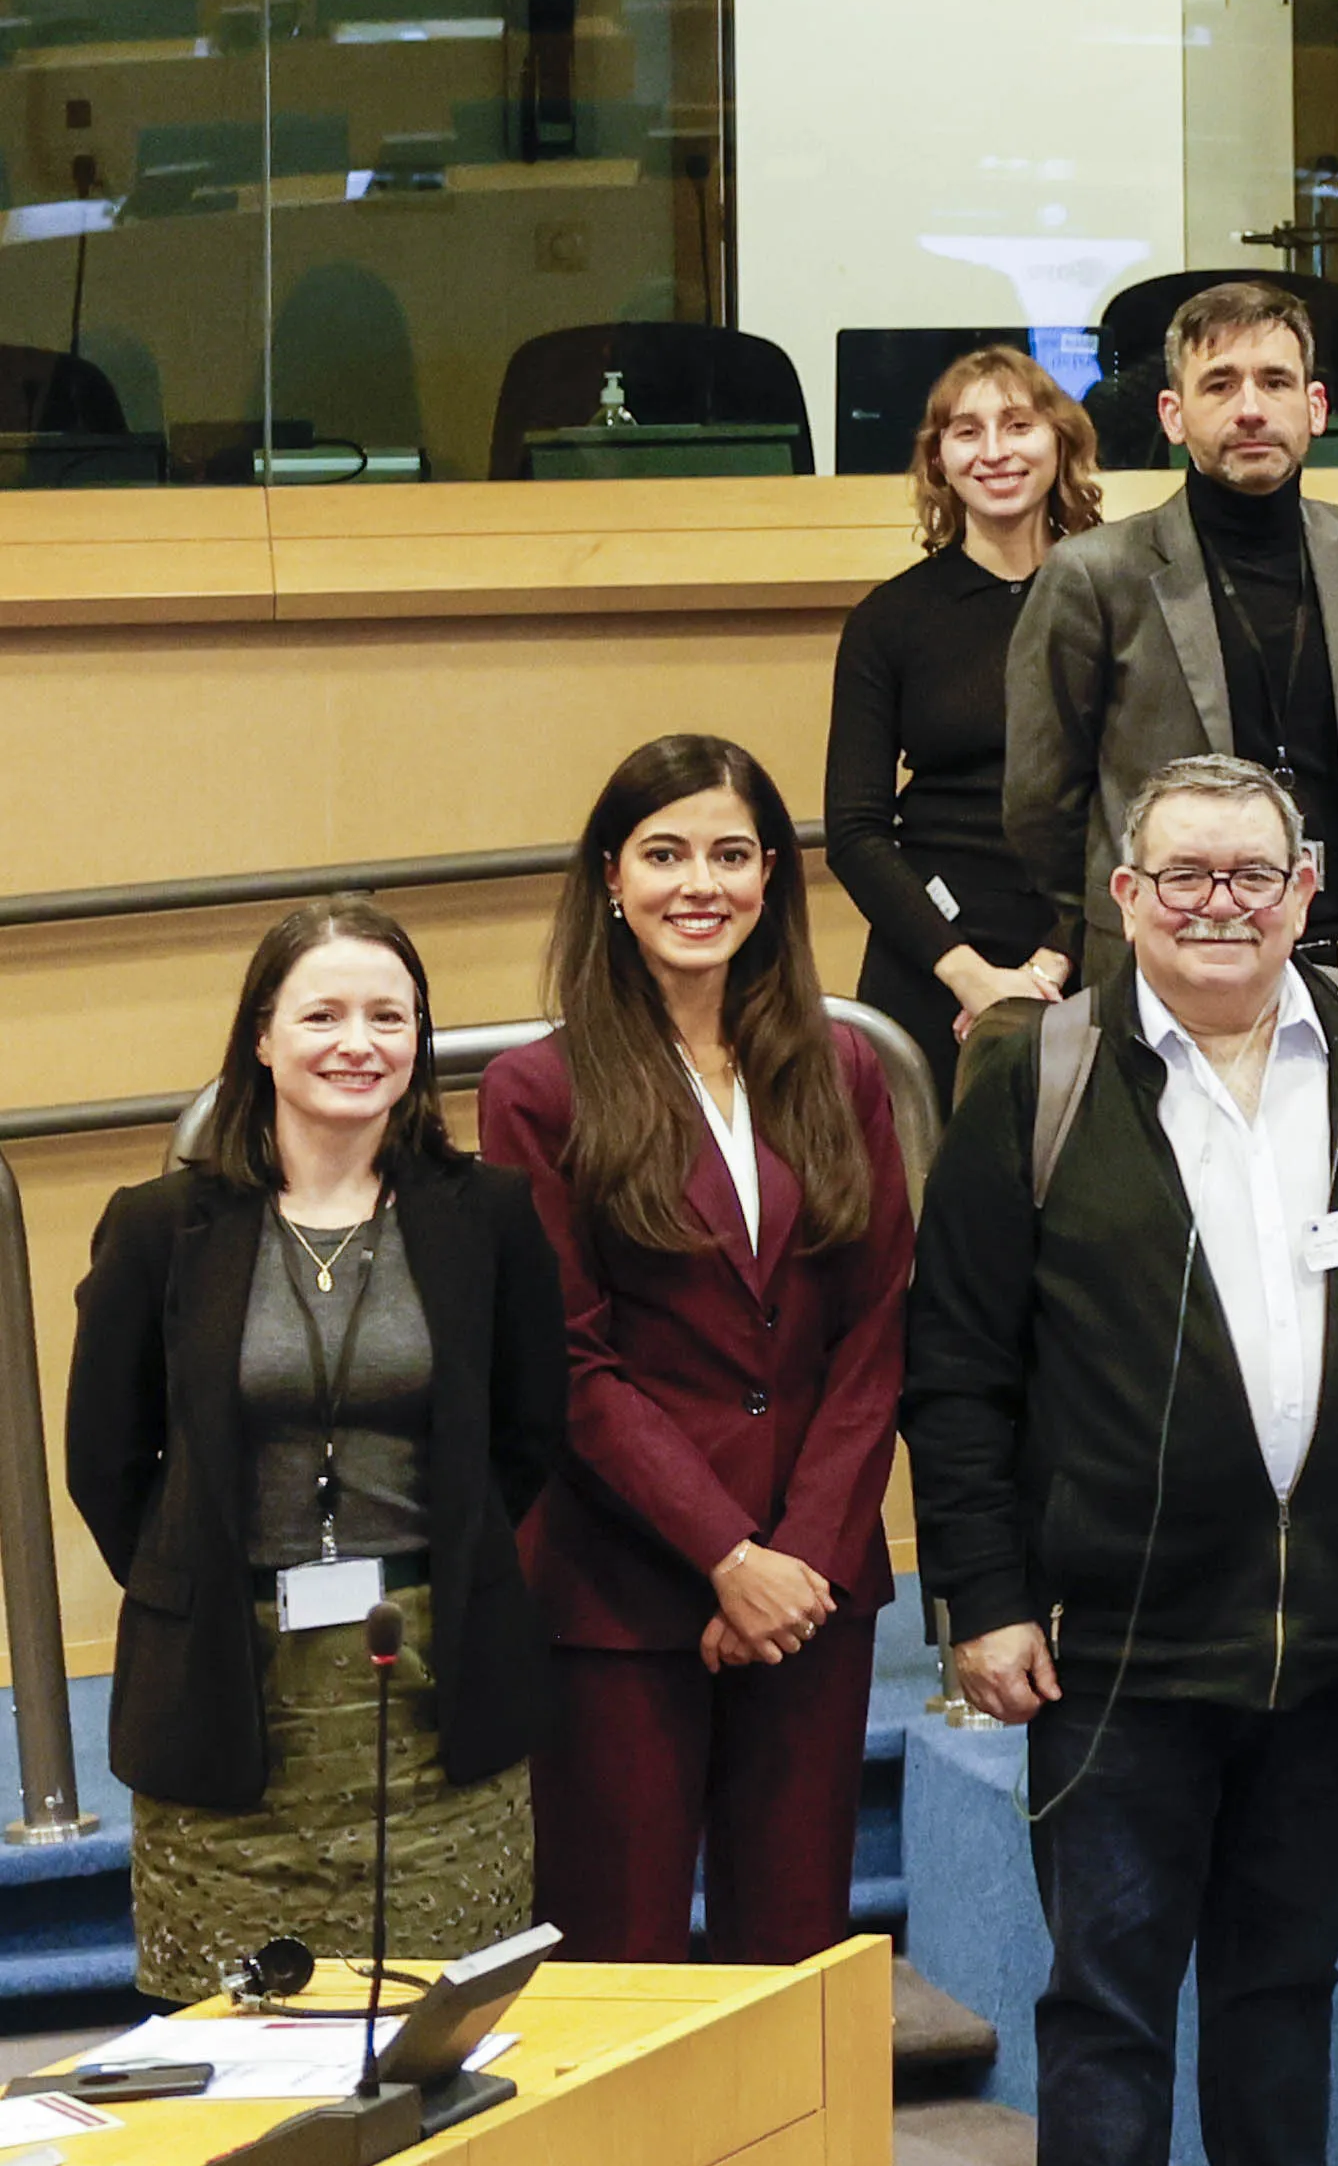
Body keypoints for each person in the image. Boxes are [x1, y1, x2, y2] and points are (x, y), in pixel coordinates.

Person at [908, 761, 1338, 2166]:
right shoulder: (1036, 1075)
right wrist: (981, 1596)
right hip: (1119, 1637)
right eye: (1182, 874)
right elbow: (959, 1365)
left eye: (1252, 873)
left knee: (1291, 1976)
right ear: (1124, 894)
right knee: (1110, 1992)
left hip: (1331, 1634)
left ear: (1302, 889)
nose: (1220, 902)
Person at [77, 894, 560, 2005]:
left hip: (436, 1689)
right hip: (228, 1689)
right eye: (324, 1014)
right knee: (239, 2048)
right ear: (261, 1034)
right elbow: (107, 1464)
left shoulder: (487, 1213)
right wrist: (200, 1584)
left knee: (441, 2037)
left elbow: (529, 1435)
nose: (359, 1044)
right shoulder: (160, 1227)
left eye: (390, 1017)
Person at [483, 735, 908, 1972]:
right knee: (621, 1968)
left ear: (771, 877)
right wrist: (726, 1557)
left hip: (814, 1590)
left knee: (795, 1962)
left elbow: (875, 1328)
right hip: (621, 1595)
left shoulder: (841, 1067)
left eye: (730, 854)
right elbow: (569, 1361)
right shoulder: (536, 1089)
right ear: (611, 878)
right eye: (664, 854)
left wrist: (796, 1564)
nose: (699, 884)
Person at [1003, 275, 1338, 1002]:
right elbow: (1041, 804)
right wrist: (1134, 910)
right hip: (1174, 968)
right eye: (1220, 385)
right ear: (1172, 415)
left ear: (1316, 406)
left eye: (1275, 381)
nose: (1252, 410)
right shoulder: (1096, 575)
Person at [833, 346, 1091, 1072]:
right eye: (967, 431)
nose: (996, 451)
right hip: (930, 966)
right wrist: (971, 976)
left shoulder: (1120, 597)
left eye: (1018, 425)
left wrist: (1051, 965)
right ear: (939, 459)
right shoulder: (888, 619)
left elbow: (1142, 804)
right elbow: (855, 830)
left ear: (1060, 441)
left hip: (1091, 953)